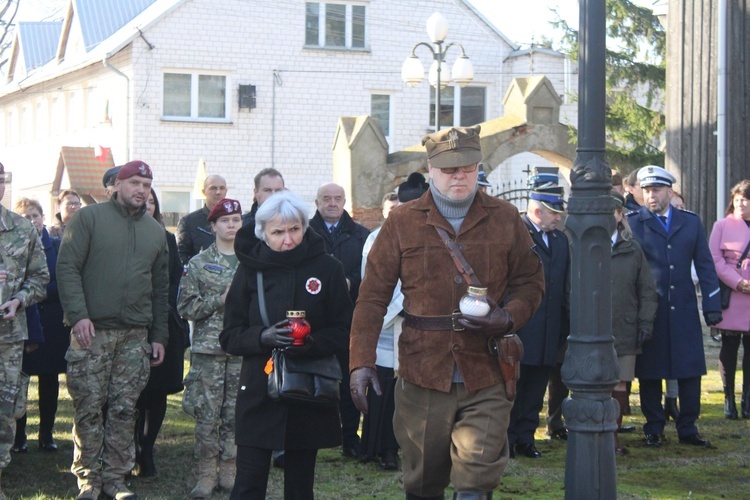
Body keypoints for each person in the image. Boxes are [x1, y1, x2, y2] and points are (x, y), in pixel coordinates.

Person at [350, 125, 545, 499]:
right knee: (423, 483)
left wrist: (507, 318)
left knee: (476, 479)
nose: (460, 175)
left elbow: (530, 284)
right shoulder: (402, 222)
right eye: (450, 168)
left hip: (487, 370)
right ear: (430, 168)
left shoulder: (506, 219)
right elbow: (372, 298)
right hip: (422, 372)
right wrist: (361, 362)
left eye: (468, 167)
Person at [220, 190, 353, 499]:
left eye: (294, 229)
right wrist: (263, 337)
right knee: (249, 483)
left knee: (300, 486)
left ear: (305, 227)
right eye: (278, 232)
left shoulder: (328, 268)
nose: (288, 239)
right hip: (258, 387)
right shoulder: (249, 270)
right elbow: (229, 335)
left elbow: (345, 330)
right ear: (263, 234)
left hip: (308, 388)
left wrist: (312, 343)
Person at [57, 160, 169, 500]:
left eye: (146, 186)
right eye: (134, 182)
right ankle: (88, 480)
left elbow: (161, 289)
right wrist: (79, 316)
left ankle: (116, 479)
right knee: (89, 408)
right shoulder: (89, 219)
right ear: (116, 186)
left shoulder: (155, 232)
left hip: (135, 336)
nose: (140, 190)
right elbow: (67, 268)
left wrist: (159, 336)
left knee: (124, 409)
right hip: (91, 332)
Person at [627, 165, 723, 448]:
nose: (651, 195)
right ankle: (654, 427)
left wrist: (712, 306)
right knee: (651, 371)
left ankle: (688, 427)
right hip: (650, 310)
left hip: (682, 308)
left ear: (670, 191)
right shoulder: (634, 222)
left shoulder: (690, 222)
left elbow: (705, 265)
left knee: (689, 369)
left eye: (656, 189)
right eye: (646, 190)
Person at [358, 175, 428, 471]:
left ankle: (400, 447)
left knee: (411, 392)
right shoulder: (378, 236)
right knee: (383, 389)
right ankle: (375, 446)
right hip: (389, 322)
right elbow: (372, 281)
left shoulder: (435, 234)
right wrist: (399, 304)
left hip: (421, 324)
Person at [178, 198, 243, 498]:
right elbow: (185, 306)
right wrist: (220, 300)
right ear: (213, 226)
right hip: (209, 351)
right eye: (225, 221)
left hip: (242, 350)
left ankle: (230, 470)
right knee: (207, 415)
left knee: (235, 414)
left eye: (236, 220)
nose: (232, 225)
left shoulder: (251, 261)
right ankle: (206, 473)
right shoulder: (198, 263)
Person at [507, 185, 569, 458]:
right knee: (514, 390)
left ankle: (526, 438)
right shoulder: (517, 235)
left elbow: (562, 284)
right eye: (553, 213)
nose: (558, 218)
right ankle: (507, 439)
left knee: (536, 389)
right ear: (536, 210)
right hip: (523, 326)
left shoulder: (560, 240)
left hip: (549, 329)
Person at [308, 182, 369, 458]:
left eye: (337, 199)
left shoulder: (360, 236)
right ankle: (313, 435)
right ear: (317, 201)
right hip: (315, 318)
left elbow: (369, 273)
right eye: (326, 199)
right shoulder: (305, 233)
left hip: (350, 318)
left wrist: (349, 282)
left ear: (345, 201)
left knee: (348, 379)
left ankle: (349, 438)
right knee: (313, 378)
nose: (332, 203)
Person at [0, 162, 50, 499]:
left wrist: (19, 298)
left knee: (5, 409)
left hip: (8, 335)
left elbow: (41, 277)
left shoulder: (21, 228)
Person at [133, 188, 187, 477]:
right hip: (130, 324)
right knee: (131, 394)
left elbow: (175, 278)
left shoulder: (166, 239)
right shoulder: (125, 236)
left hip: (162, 323)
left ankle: (147, 448)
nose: (147, 205)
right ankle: (128, 449)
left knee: (157, 392)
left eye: (152, 201)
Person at [13, 198, 67, 453]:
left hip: (53, 324)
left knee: (49, 381)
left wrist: (33, 290)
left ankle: (46, 434)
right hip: (23, 322)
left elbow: (62, 284)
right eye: (25, 216)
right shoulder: (14, 247)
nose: (31, 220)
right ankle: (19, 435)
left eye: (35, 215)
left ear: (43, 218)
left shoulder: (56, 246)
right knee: (20, 381)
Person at [609, 190, 658, 455]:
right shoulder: (581, 245)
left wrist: (644, 323)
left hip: (625, 327)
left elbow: (647, 290)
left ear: (620, 215)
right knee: (592, 382)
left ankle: (613, 436)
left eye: (612, 212)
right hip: (592, 328)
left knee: (619, 383)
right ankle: (594, 433)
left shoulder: (633, 248)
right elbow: (572, 287)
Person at [708, 179, 750, 419]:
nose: (741, 203)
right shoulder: (722, 225)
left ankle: (747, 400)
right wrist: (738, 282)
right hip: (732, 292)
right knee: (730, 347)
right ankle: (728, 399)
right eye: (737, 199)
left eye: (745, 199)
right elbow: (715, 259)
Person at [177, 174, 228, 264]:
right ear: (204, 191)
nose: (218, 192)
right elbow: (180, 256)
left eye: (222, 188)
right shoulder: (189, 222)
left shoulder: (234, 222)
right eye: (213, 188)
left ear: (226, 191)